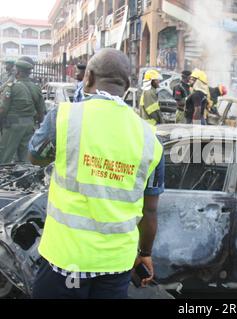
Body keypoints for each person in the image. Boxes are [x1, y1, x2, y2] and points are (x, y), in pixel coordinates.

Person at [29, 48, 165, 299]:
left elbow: (35, 156)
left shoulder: (64, 117)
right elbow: (151, 210)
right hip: (116, 265)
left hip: (66, 260)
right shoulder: (150, 139)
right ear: (127, 86)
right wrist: (144, 252)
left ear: (88, 77)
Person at [0, 57, 45, 164]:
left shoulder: (11, 87)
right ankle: (24, 179)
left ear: (18, 71)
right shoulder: (36, 88)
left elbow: (2, 109)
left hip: (12, 125)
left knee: (5, 156)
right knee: (25, 158)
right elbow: (41, 112)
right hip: (29, 125)